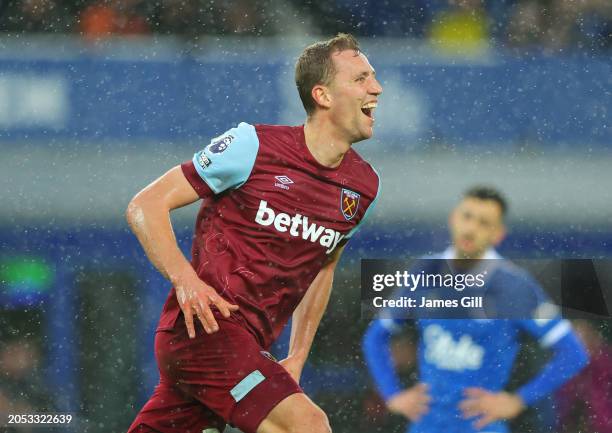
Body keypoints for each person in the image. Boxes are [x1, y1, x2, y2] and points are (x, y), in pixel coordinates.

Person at [125, 33, 382, 433]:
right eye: (361, 78)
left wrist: (297, 355)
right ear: (324, 95)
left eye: (374, 77)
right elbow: (146, 205)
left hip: (243, 346)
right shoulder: (252, 145)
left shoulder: (362, 186)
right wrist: (185, 280)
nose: (376, 88)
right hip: (204, 331)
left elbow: (323, 267)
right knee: (309, 426)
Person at [362, 186, 589, 433]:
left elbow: (573, 352)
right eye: (467, 217)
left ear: (498, 234)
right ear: (453, 219)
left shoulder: (514, 286)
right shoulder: (425, 271)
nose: (471, 229)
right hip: (426, 426)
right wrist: (393, 395)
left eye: (483, 223)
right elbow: (376, 336)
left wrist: (517, 400)